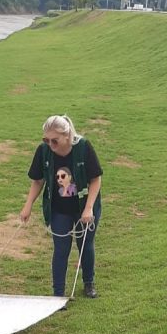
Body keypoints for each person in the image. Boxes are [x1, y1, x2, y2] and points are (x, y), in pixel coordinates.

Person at [20, 115, 103, 298]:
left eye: (54, 140)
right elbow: (38, 181)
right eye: (46, 140)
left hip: (84, 206)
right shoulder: (43, 151)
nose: (50, 144)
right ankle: (58, 293)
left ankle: (89, 283)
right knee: (61, 248)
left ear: (67, 135)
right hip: (58, 208)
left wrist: (88, 208)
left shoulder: (83, 147)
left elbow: (95, 179)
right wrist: (28, 206)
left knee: (85, 245)